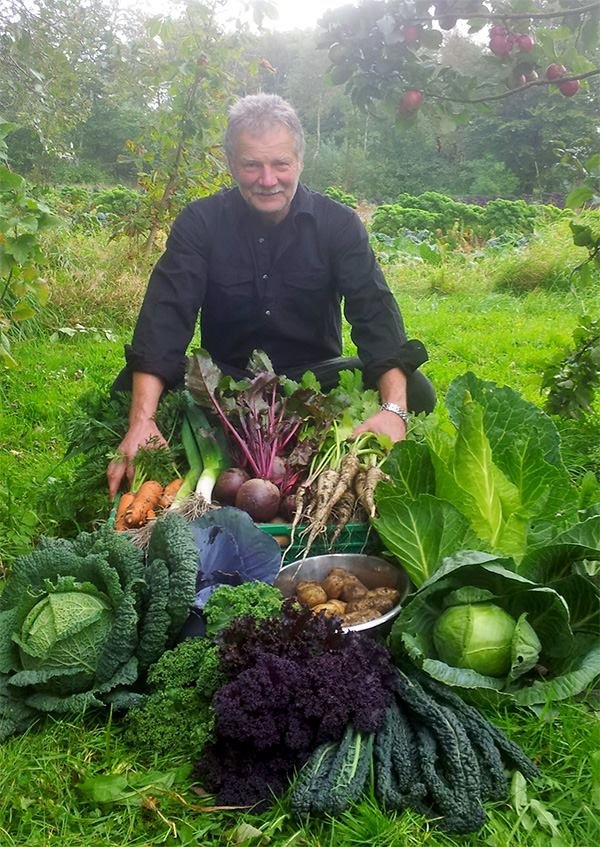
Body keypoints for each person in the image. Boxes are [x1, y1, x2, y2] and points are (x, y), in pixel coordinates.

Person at [107, 93, 435, 498]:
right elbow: (166, 316)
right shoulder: (200, 223)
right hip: (226, 382)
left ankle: (377, 424)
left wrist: (393, 410)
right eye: (252, 165)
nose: (268, 180)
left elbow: (375, 314)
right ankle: (152, 440)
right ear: (231, 165)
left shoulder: (339, 225)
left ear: (299, 160)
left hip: (317, 383)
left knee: (414, 389)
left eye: (280, 163)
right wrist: (142, 419)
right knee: (133, 387)